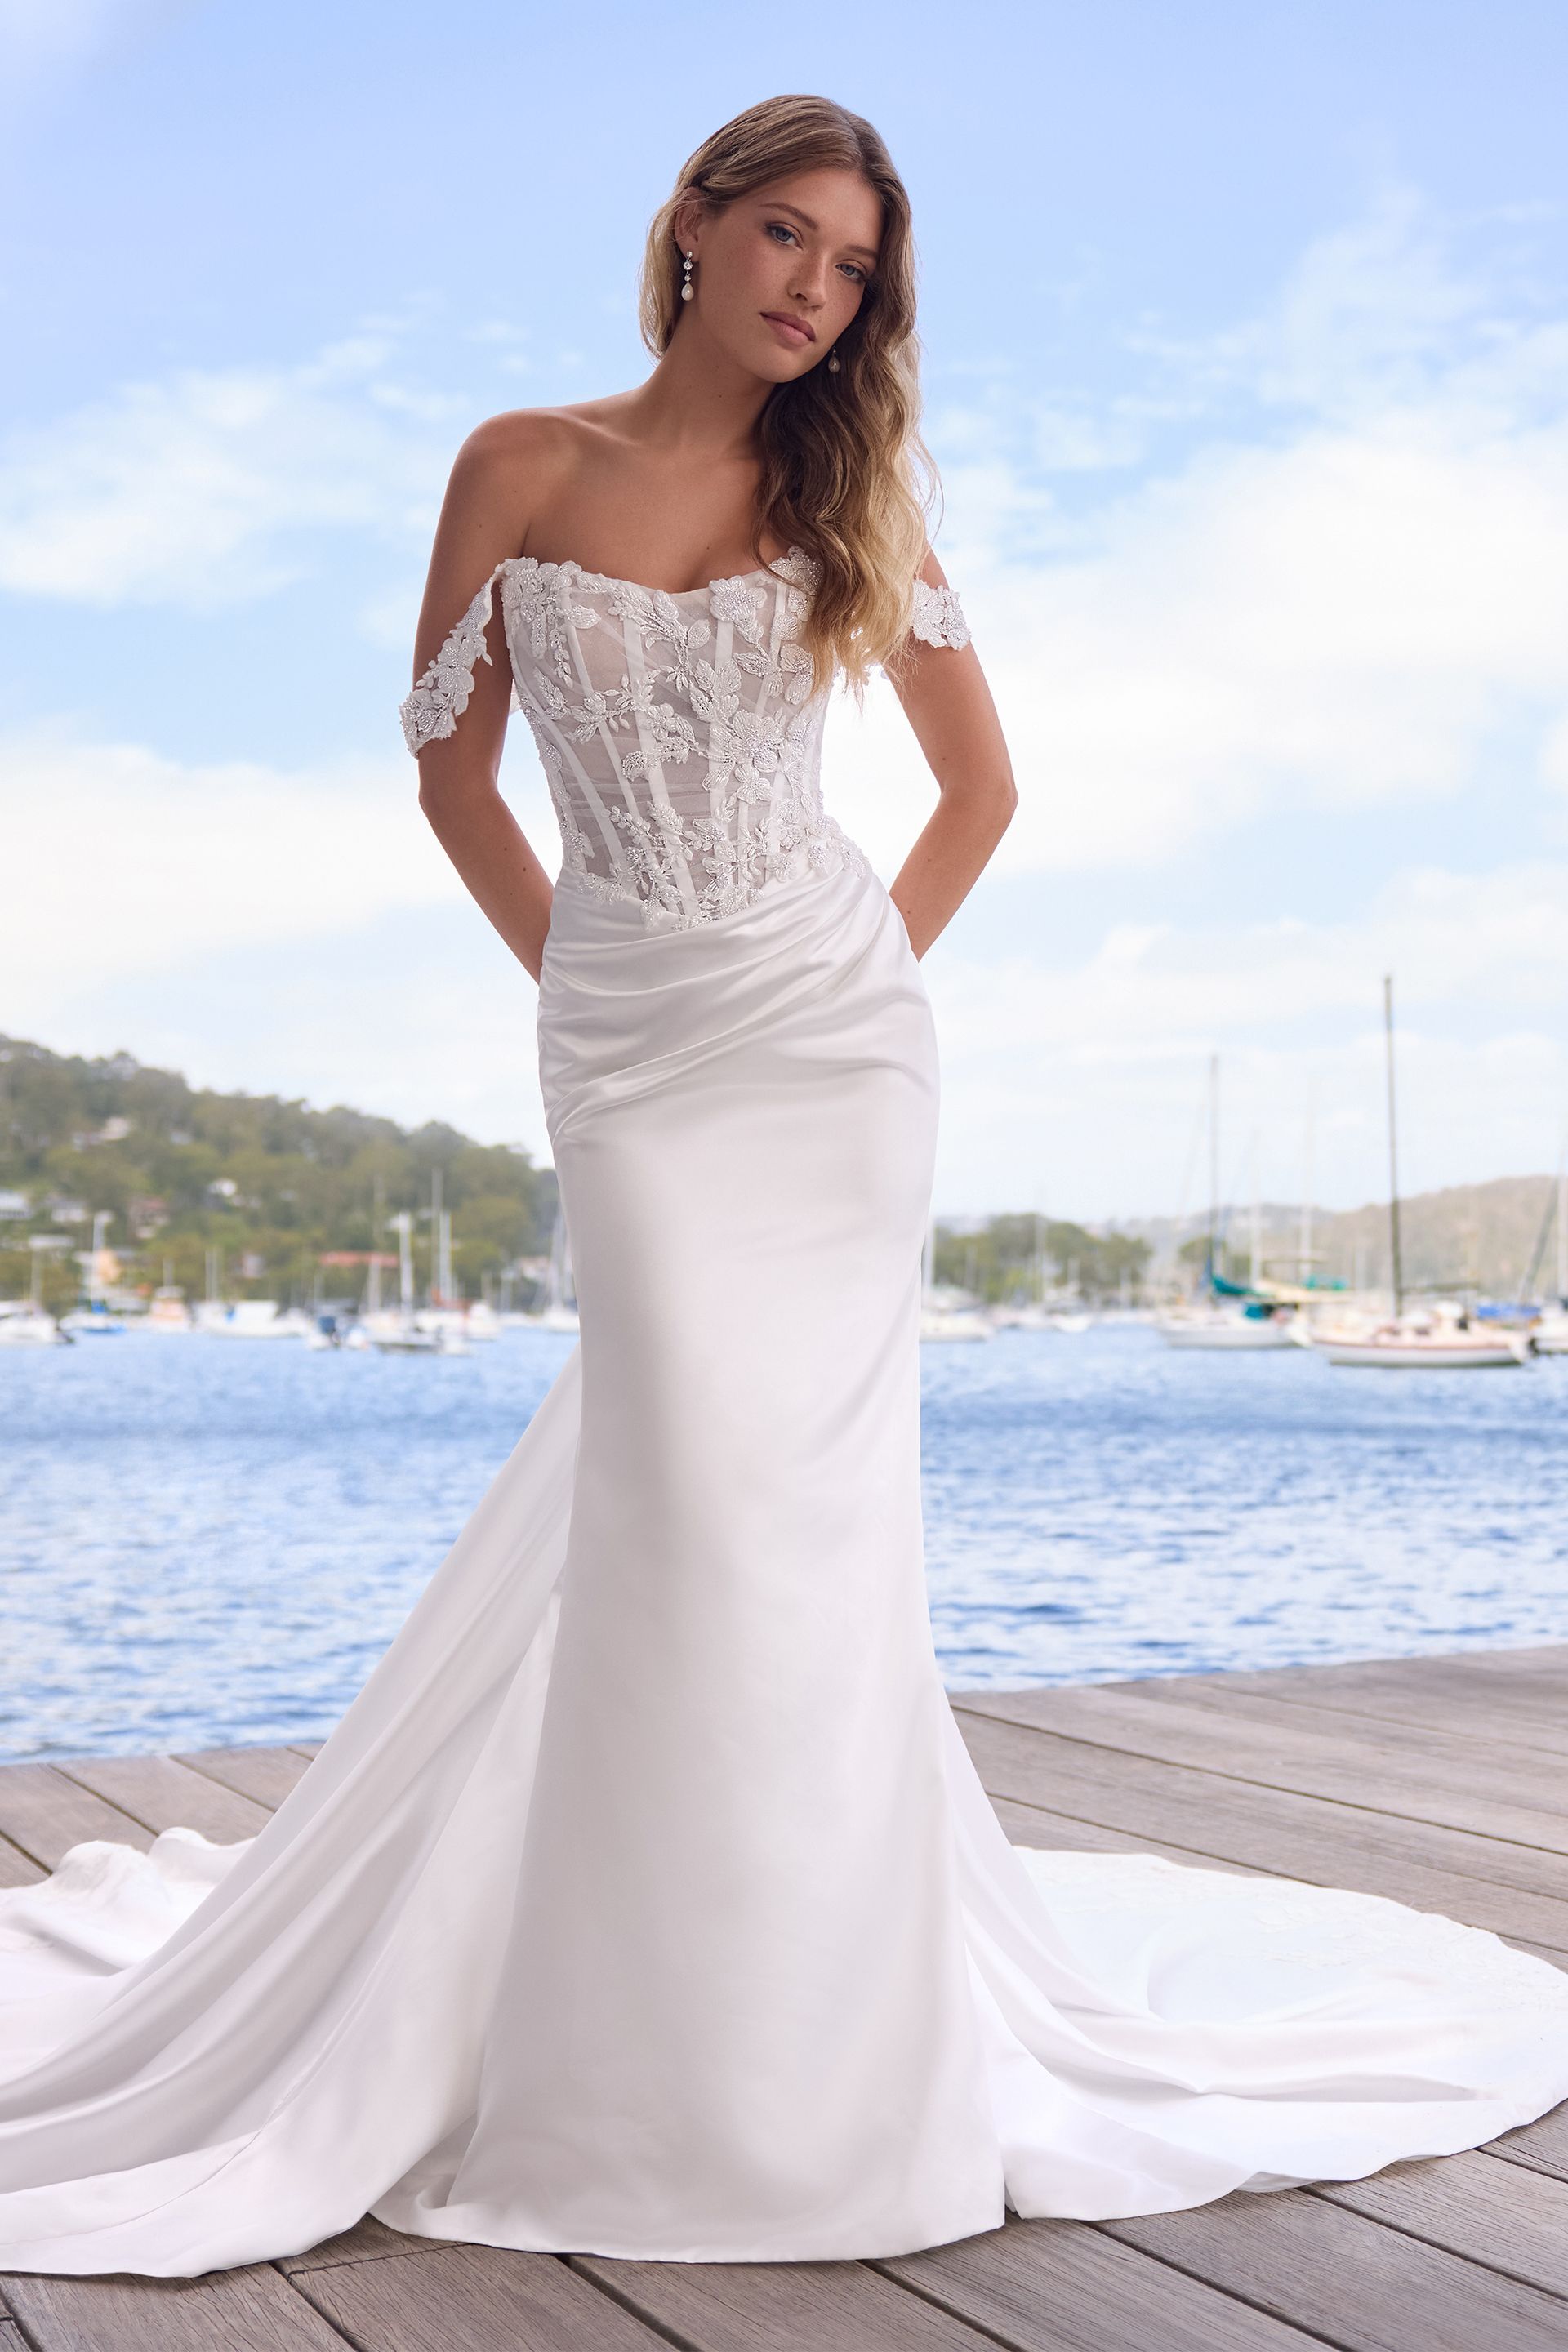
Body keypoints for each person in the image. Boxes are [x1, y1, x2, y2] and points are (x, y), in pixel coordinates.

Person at [2, 92, 1566, 2282]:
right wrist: (589, 979)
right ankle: (628, 2018)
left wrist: (843, 981)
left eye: (852, 269)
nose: (816, 289)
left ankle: (801, 2036)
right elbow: (449, 770)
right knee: (681, 1494)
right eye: (787, 239)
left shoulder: (852, 494)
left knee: (801, 1536)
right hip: (631, 1047)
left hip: (836, 1055)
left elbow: (981, 787)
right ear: (695, 230)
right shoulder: (518, 464)